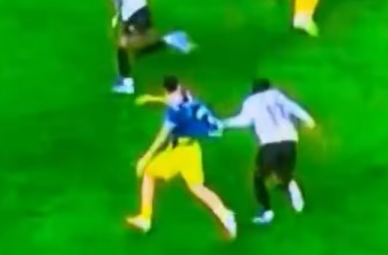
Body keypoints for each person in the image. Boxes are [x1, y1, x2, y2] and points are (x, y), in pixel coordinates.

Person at [127, 76, 237, 239]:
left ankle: (145, 218)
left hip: (179, 153)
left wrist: (145, 158)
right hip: (193, 149)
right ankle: (225, 215)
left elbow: (162, 137)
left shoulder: (173, 113)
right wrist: (151, 98)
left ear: (165, 89)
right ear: (178, 86)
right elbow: (171, 99)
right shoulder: (186, 95)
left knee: (148, 173)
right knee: (198, 187)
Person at [222, 78, 315, 224]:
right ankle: (295, 194)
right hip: (289, 141)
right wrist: (309, 120)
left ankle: (267, 212)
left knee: (259, 178)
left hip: (270, 144)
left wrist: (224, 123)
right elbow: (293, 107)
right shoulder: (277, 95)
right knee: (283, 172)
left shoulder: (251, 101)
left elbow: (244, 121)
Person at [98, 0, 195, 94]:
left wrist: (117, 17)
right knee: (138, 47)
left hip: (134, 13)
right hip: (141, 8)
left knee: (124, 45)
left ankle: (126, 83)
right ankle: (173, 40)